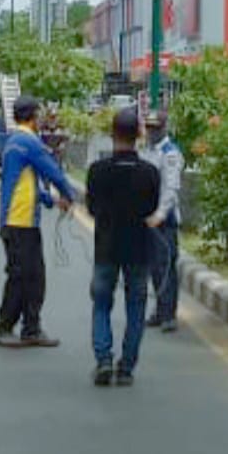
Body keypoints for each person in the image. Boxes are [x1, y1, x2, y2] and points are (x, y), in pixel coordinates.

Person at [86, 107, 160, 386]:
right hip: (139, 250)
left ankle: (103, 359)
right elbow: (151, 208)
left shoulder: (97, 171)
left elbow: (92, 208)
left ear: (111, 134)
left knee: (102, 304)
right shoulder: (149, 173)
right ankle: (127, 367)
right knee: (136, 307)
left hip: (106, 248)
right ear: (139, 135)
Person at [0, 94, 76, 348]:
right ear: (32, 117)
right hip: (20, 222)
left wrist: (50, 200)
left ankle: (30, 328)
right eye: (39, 115)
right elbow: (53, 171)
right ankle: (7, 327)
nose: (41, 120)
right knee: (23, 277)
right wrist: (69, 195)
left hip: (17, 219)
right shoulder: (29, 142)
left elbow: (25, 184)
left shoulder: (13, 142)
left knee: (29, 277)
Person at [143, 110, 185, 333]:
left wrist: (160, 214)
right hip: (149, 218)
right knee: (154, 268)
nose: (151, 132)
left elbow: (171, 188)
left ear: (164, 128)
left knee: (166, 266)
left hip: (164, 219)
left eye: (155, 128)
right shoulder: (148, 151)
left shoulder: (170, 153)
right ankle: (160, 311)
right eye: (149, 127)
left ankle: (169, 314)